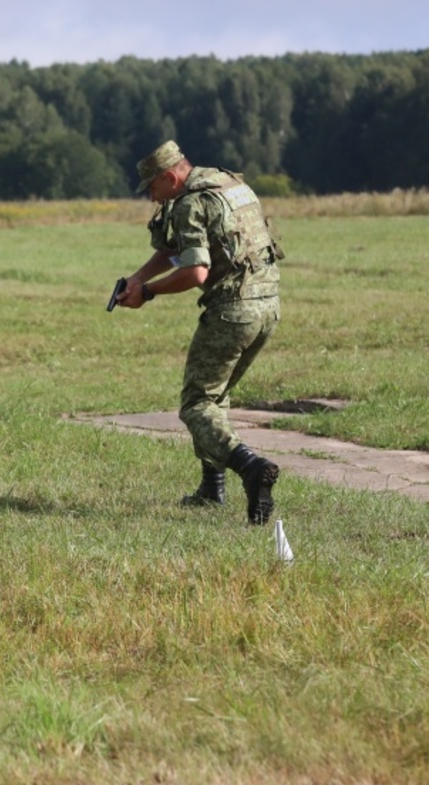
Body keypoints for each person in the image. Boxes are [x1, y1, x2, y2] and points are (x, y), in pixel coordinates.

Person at [115, 140, 284, 525]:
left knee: (196, 405)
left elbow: (195, 272)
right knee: (216, 395)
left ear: (170, 177)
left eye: (153, 189)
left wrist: (149, 293)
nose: (152, 199)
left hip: (233, 311)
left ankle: (252, 467)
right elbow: (179, 249)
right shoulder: (225, 183)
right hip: (268, 305)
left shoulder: (191, 203)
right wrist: (138, 278)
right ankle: (212, 487)